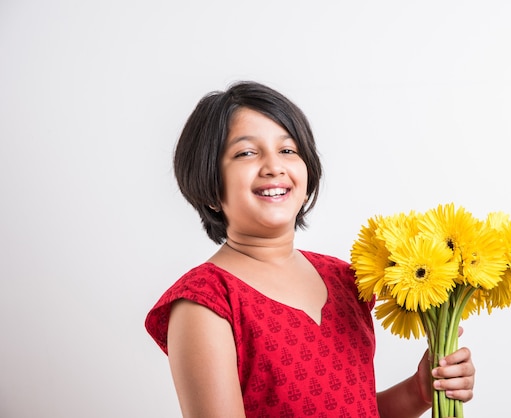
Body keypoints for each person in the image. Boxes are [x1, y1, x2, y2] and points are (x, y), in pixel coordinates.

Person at [145, 81, 475, 418]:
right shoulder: (205, 301)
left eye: (288, 150)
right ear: (209, 184)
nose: (274, 166)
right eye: (246, 152)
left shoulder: (346, 279)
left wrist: (418, 391)